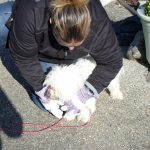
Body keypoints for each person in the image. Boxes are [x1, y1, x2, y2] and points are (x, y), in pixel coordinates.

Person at [5, 0, 122, 118]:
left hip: (78, 55)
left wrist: (85, 93)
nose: (71, 48)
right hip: (39, 43)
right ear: (51, 22)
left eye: (77, 44)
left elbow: (112, 61)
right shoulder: (30, 12)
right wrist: (41, 90)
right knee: (2, 21)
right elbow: (24, 58)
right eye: (66, 43)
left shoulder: (97, 18)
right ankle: (14, 27)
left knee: (66, 101)